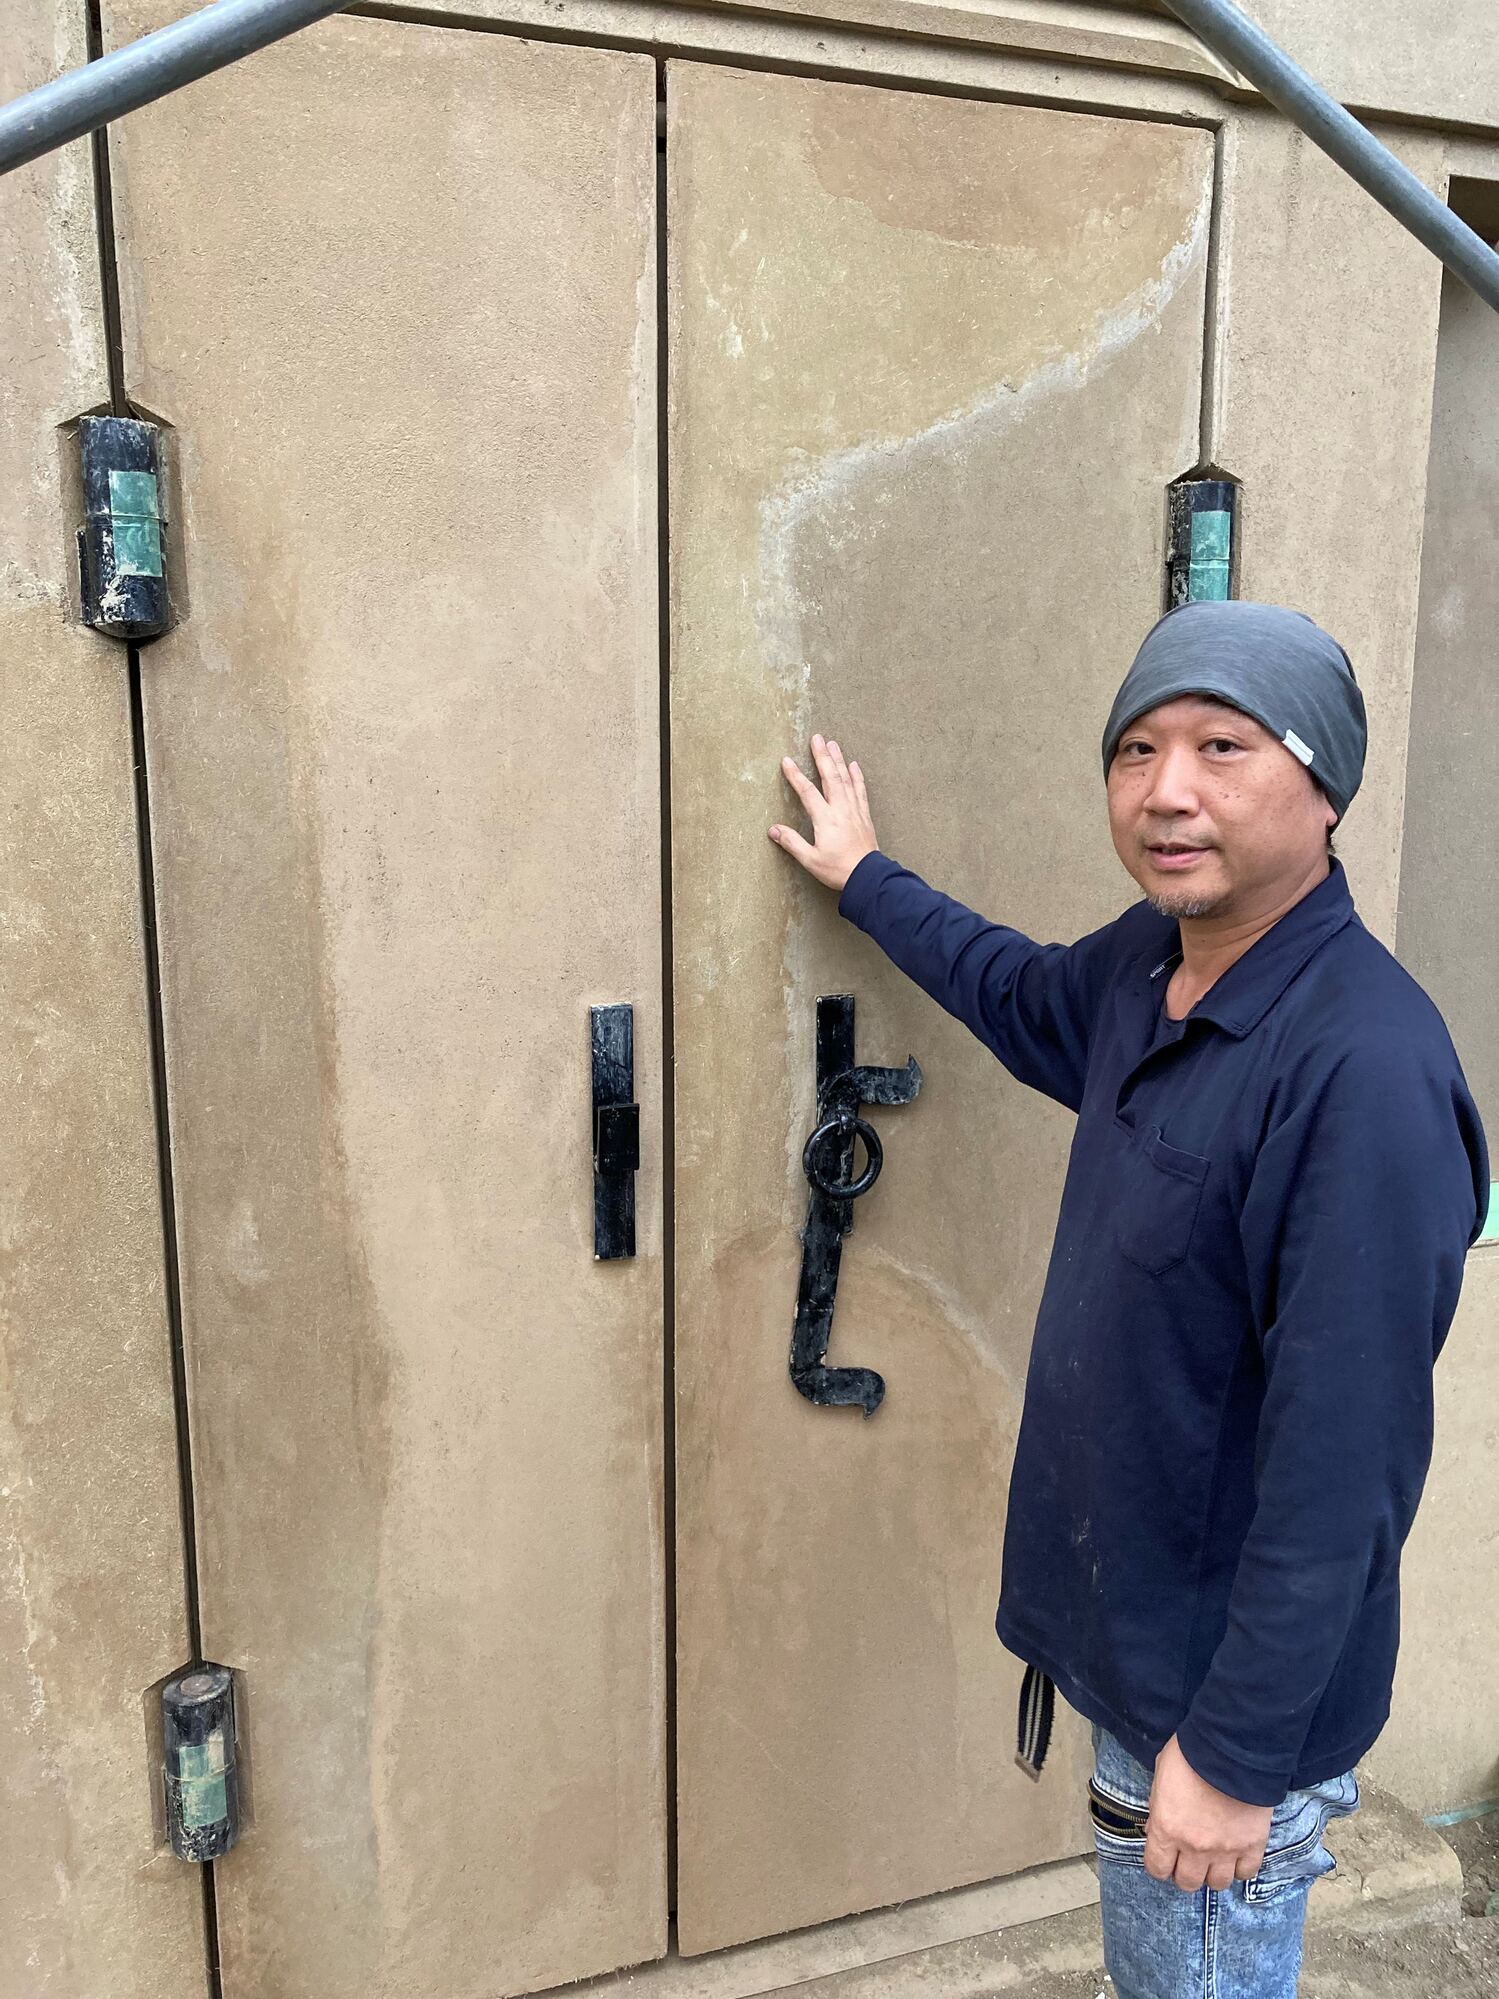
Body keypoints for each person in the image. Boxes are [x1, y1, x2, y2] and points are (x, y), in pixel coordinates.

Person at [767, 599, 1489, 1999]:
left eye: (1224, 746)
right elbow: (1013, 989)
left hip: (1218, 1711)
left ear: (1326, 789)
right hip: (1139, 1653)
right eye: (1137, 749)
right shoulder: (1151, 968)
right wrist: (865, 878)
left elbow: (1346, 1468)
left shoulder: (1364, 1072)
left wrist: (1234, 1757)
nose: (1167, 791)